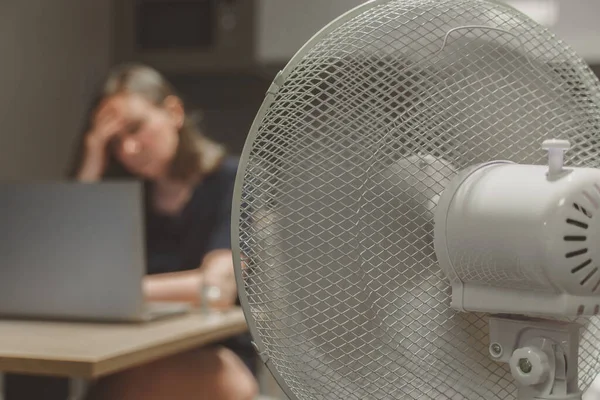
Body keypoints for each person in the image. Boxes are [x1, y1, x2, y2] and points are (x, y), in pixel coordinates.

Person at [68, 63, 258, 400]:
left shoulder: (231, 180)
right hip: (135, 349)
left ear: (173, 112)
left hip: (219, 356)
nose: (127, 149)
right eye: (114, 142)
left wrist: (116, 291)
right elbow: (67, 275)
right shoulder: (129, 196)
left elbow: (216, 289)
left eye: (136, 128)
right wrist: (92, 160)